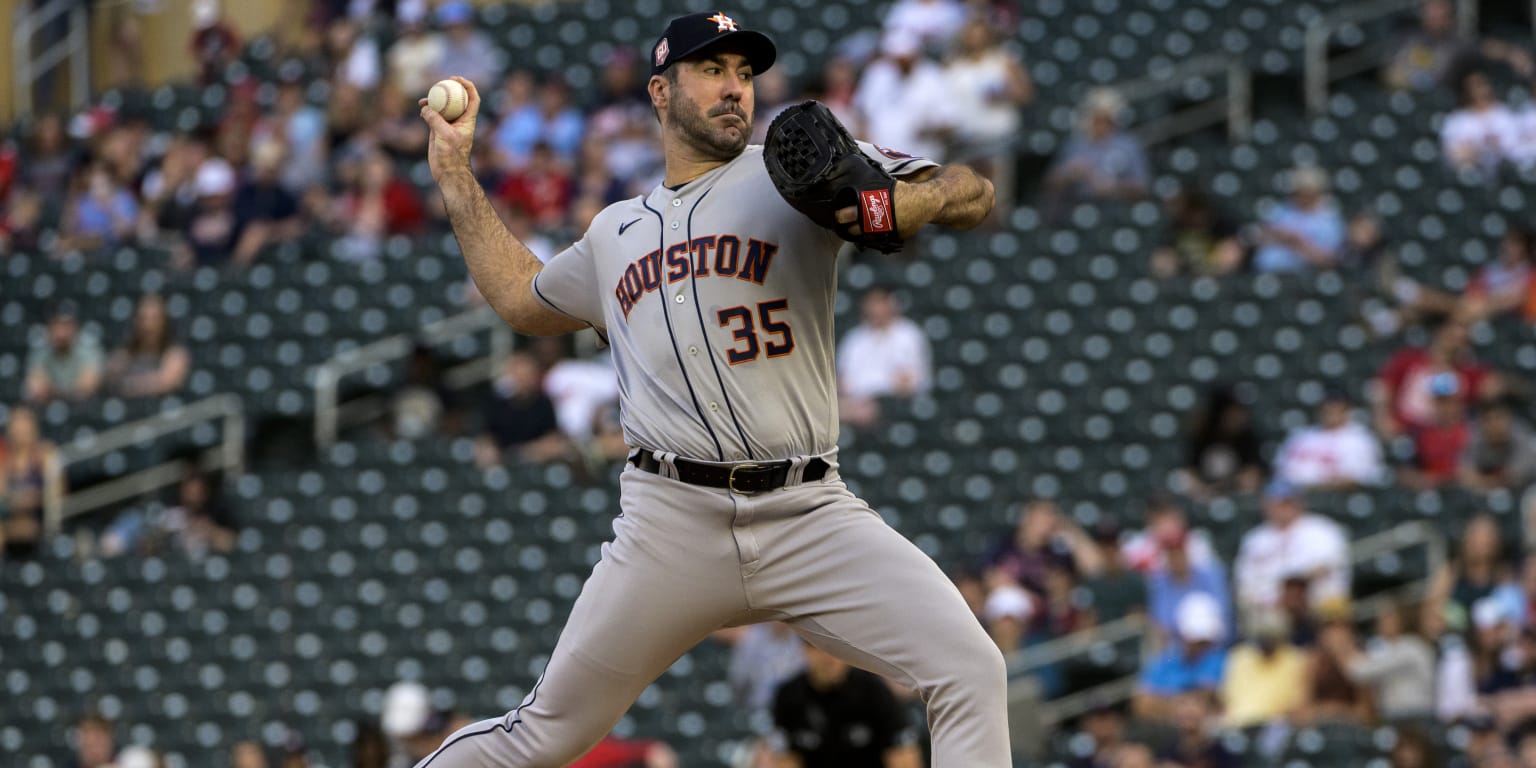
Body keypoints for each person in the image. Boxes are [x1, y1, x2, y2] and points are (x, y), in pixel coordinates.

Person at [415, 10, 1006, 765]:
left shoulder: (791, 168)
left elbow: (970, 191)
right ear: (660, 92)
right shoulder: (613, 233)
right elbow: (521, 299)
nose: (735, 89)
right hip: (671, 522)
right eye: (712, 70)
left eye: (745, 74)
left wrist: (889, 204)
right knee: (542, 734)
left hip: (808, 512)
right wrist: (456, 175)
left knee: (969, 669)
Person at [768, 644, 922, 768]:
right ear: (805, 651)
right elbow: (785, 758)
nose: (829, 658)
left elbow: (902, 755)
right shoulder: (789, 696)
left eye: (837, 650)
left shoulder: (873, 691)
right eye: (818, 649)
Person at [1233, 480, 1351, 617]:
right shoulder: (1254, 539)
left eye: (1286, 502)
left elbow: (1329, 565)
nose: (1281, 508)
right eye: (1275, 503)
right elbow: (1243, 583)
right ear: (1265, 505)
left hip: (1314, 601)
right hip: (1269, 609)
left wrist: (1292, 587)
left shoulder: (1322, 528)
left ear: (1298, 502)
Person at [1371, 319, 1497, 439]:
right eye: (1451, 337)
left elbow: (1491, 387)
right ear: (1439, 334)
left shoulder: (1465, 373)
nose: (1454, 344)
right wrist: (1383, 418)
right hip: (1404, 430)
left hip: (1442, 437)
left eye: (1461, 341)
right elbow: (1382, 389)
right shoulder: (1409, 360)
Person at [1383, 0, 1533, 93]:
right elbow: (1388, 72)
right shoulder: (1409, 37)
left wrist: (1513, 54)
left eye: (1440, 15)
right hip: (1404, 93)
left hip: (1441, 100)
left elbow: (1486, 47)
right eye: (1430, 14)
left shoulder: (1458, 43)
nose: (1434, 18)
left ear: (1450, 17)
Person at [1042, 88, 1149, 219]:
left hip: (1117, 208)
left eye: (1104, 117)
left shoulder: (1128, 144)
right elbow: (1051, 182)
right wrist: (1069, 174)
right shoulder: (1076, 143)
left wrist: (1111, 186)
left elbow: (1141, 188)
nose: (1099, 123)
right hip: (1077, 206)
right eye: (1096, 116)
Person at [853, 29, 955, 163]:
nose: (901, 64)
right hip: (880, 161)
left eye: (905, 59)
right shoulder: (877, 73)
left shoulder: (933, 76)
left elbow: (950, 122)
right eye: (897, 59)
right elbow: (862, 112)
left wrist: (929, 130)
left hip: (921, 161)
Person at [836, 287, 932, 429]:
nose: (875, 309)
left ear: (891, 304)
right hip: (856, 402)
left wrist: (870, 397)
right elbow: (843, 381)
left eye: (880, 302)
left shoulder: (908, 335)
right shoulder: (855, 337)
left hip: (895, 402)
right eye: (871, 303)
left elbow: (906, 382)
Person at [1332, 601, 1437, 721]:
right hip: (1402, 717)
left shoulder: (1410, 646)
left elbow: (1357, 671)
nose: (1380, 622)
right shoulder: (1394, 648)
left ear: (1402, 619)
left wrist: (1340, 644)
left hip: (1414, 717)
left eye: (1388, 617)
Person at [1132, 592, 1228, 720]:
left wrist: (1164, 701)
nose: (1199, 646)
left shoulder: (1219, 659)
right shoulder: (1165, 660)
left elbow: (1207, 699)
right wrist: (1181, 705)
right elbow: (1141, 703)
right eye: (1195, 640)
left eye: (1204, 642)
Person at [1271, 389, 1384, 490]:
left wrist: (1317, 486)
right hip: (1295, 497)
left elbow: (1359, 477)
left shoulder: (1361, 438)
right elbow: (1281, 472)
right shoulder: (1300, 436)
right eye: (1327, 407)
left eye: (1337, 407)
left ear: (1347, 410)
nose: (1331, 411)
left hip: (1338, 498)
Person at [474, 352, 568, 467]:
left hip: (534, 455)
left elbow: (552, 436)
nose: (523, 380)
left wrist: (524, 452)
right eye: (520, 376)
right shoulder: (495, 402)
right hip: (503, 456)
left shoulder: (544, 403)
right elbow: (486, 435)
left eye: (527, 375)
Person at [1220, 609, 1308, 728]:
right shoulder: (1240, 657)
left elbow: (1297, 705)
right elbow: (1226, 701)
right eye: (1262, 637)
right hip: (1238, 724)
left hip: (1277, 725)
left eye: (1270, 638)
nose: (1266, 643)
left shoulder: (1295, 660)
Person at [1147, 530, 1232, 649]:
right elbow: (1161, 624)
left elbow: (1222, 615)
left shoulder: (1210, 575)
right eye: (1172, 553)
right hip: (1178, 651)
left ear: (1187, 551)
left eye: (1179, 552)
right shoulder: (1160, 583)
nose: (1176, 558)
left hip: (1212, 645)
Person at [1251, 166, 1345, 273]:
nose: (1299, 195)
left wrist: (1298, 243)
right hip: (1267, 271)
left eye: (1304, 191)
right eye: (1297, 191)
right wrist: (1279, 235)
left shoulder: (1329, 219)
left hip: (1307, 275)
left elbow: (1329, 260)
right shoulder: (1282, 210)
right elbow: (1258, 236)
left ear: (1316, 192)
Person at [0, 406, 61, 559]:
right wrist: (16, 499)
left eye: (25, 422)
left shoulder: (46, 453)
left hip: (38, 518)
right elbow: (2, 492)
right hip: (10, 518)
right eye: (17, 423)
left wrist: (35, 498)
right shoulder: (5, 456)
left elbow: (57, 491)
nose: (21, 429)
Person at [104, 294, 191, 399]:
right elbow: (108, 378)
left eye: (154, 318)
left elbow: (166, 382)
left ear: (164, 321)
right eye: (143, 318)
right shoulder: (123, 354)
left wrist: (128, 384)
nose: (148, 325)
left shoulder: (175, 353)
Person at [1151, 186, 1245, 278]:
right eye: (1189, 212)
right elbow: (1161, 264)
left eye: (1197, 210)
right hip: (1186, 277)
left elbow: (1231, 257)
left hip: (1215, 276)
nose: (1195, 217)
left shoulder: (1222, 225)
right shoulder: (1172, 229)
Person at [1400, 372, 1474, 489]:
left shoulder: (1471, 431)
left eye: (1449, 401)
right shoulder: (1420, 433)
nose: (1445, 407)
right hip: (1430, 493)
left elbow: (1471, 473)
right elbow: (1407, 472)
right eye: (1440, 401)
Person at [1441, 70, 1518, 179]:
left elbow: (1515, 147)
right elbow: (1452, 153)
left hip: (1504, 173)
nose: (1480, 90)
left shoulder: (1504, 113)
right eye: (1473, 86)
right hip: (1471, 174)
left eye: (1482, 84)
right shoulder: (1457, 119)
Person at [25, 302, 103, 403]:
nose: (61, 332)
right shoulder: (40, 353)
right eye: (56, 325)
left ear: (75, 328)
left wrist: (52, 390)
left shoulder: (88, 350)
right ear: (49, 328)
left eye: (66, 326)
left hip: (83, 408)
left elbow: (86, 387)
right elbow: (35, 388)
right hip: (47, 409)